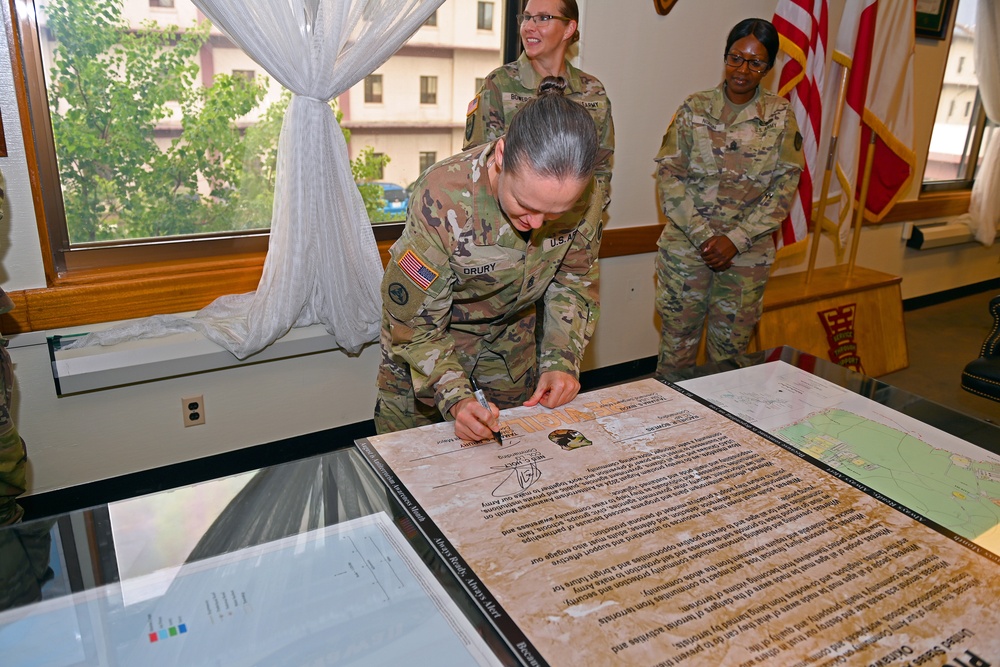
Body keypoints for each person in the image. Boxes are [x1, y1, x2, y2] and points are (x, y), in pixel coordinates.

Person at [375, 77, 599, 442]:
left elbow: (573, 281)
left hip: (510, 343)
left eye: (556, 213)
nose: (537, 224)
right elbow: (415, 328)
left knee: (509, 459)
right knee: (413, 463)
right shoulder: (442, 197)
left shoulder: (584, 193)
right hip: (427, 347)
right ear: (501, 155)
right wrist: (456, 399)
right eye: (526, 205)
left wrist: (561, 360)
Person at [654, 18, 803, 375]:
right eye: (735, 58)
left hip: (746, 260)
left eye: (755, 62)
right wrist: (707, 237)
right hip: (688, 252)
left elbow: (785, 186)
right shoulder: (694, 107)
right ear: (725, 57)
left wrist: (735, 240)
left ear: (767, 68)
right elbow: (669, 175)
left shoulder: (781, 116)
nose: (743, 69)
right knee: (675, 354)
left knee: (731, 362)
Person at [463, 0, 613, 233]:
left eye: (543, 18)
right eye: (526, 17)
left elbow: (601, 166)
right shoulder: (500, 84)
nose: (528, 27)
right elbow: (480, 164)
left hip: (572, 233)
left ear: (569, 29)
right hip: (511, 234)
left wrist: (589, 220)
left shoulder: (593, 90)